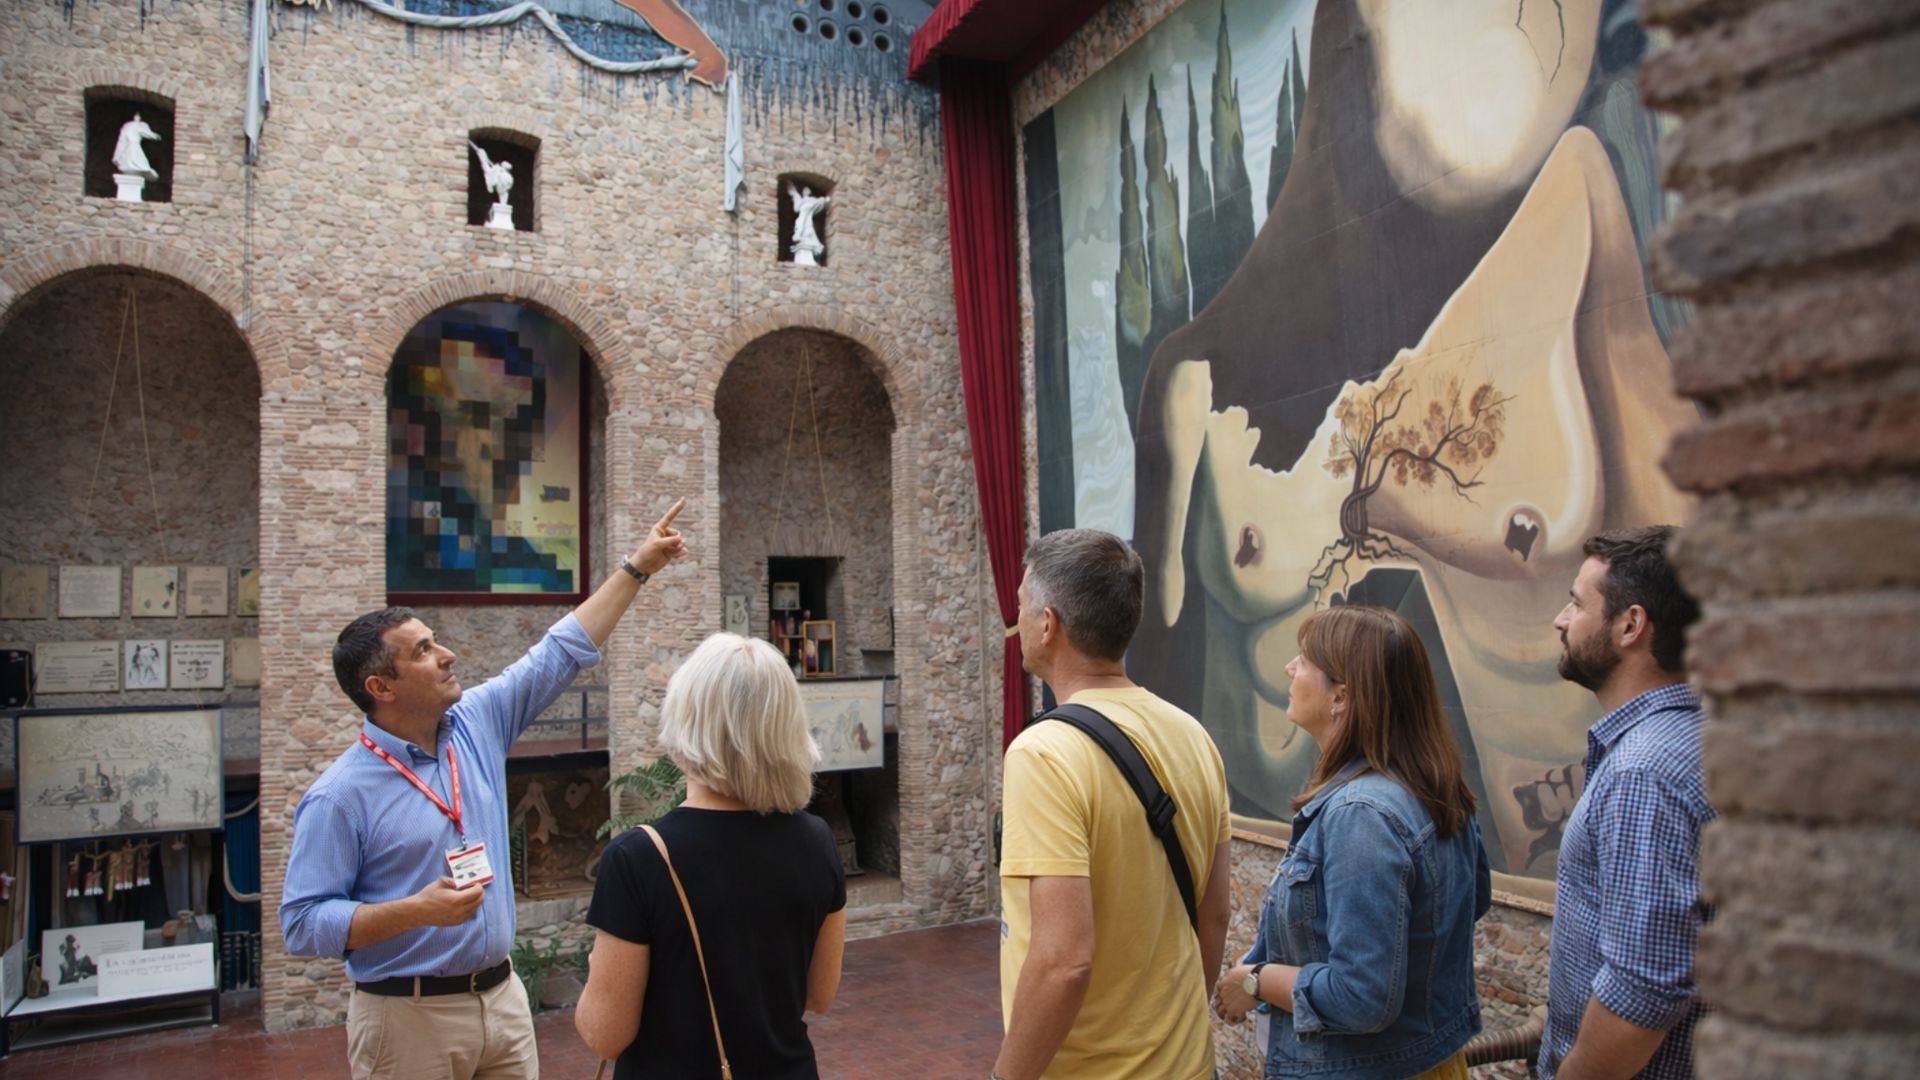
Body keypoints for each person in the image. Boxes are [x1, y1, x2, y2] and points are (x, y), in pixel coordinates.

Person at [280, 497, 689, 1080]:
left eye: (435, 639)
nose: (447, 654)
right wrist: (411, 911)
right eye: (423, 651)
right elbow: (301, 924)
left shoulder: (475, 722)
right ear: (381, 686)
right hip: (406, 1019)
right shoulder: (338, 795)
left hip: (501, 1001)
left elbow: (560, 651)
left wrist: (638, 567)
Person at [993, 528, 1232, 1080]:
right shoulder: (1193, 735)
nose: (1019, 617)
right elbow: (1214, 915)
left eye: (1024, 605)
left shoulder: (1044, 753)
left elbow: (1064, 961)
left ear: (1048, 624)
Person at [1213, 605, 1491, 1078]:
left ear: (1340, 697)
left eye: (1304, 659)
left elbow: (1360, 997)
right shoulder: (1431, 785)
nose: (1290, 668)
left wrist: (1257, 982)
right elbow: (1466, 902)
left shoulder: (1361, 815)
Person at [575, 633, 846, 1078]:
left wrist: (596, 971)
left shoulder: (639, 857)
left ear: (686, 719)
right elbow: (819, 995)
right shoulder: (817, 839)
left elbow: (605, 1034)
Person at [1539, 526, 1711, 1079]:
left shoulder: (1645, 772)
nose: (1561, 621)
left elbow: (1645, 989)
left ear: (1630, 625)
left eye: (1575, 602)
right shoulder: (1706, 737)